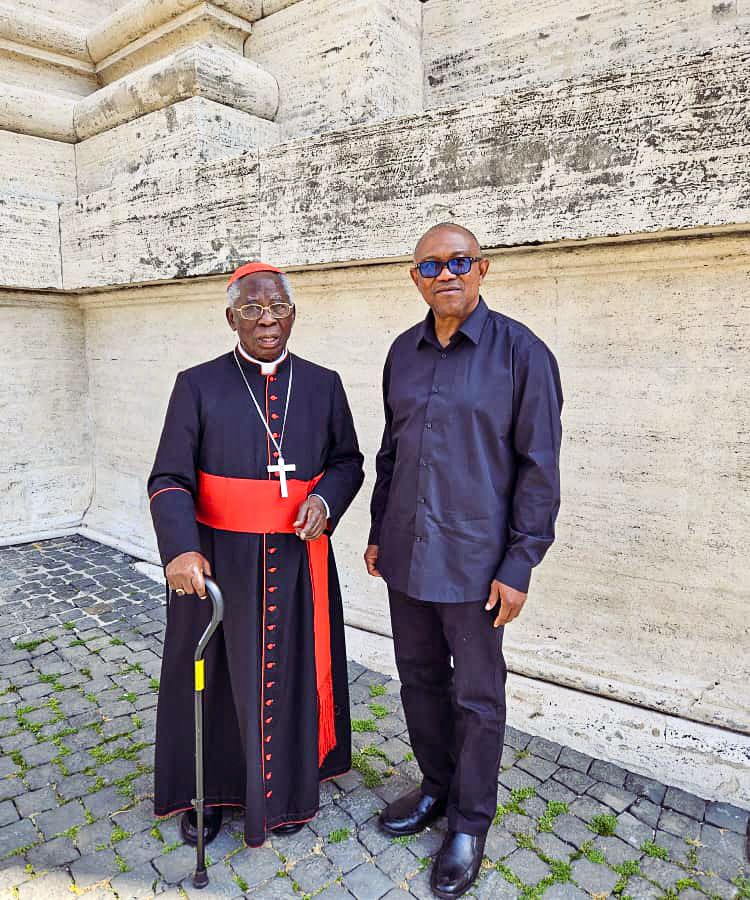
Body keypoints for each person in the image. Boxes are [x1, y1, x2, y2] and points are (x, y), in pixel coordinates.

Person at [365, 224, 563, 898]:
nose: (445, 273)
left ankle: (469, 822)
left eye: (459, 262)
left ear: (483, 269)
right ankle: (436, 789)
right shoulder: (402, 354)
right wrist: (376, 530)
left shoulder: (523, 354)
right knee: (418, 679)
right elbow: (390, 454)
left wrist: (520, 563)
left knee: (477, 697)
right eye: (431, 264)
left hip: (478, 566)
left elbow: (540, 469)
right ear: (414, 277)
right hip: (405, 553)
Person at [148, 261, 364, 848]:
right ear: (231, 318)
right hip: (217, 561)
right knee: (213, 677)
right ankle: (210, 792)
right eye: (252, 309)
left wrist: (325, 501)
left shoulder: (323, 384)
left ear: (293, 313)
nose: (267, 320)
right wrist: (181, 550)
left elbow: (349, 462)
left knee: (293, 669)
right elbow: (168, 478)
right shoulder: (197, 384)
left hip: (298, 561)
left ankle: (290, 791)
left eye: (278, 308)